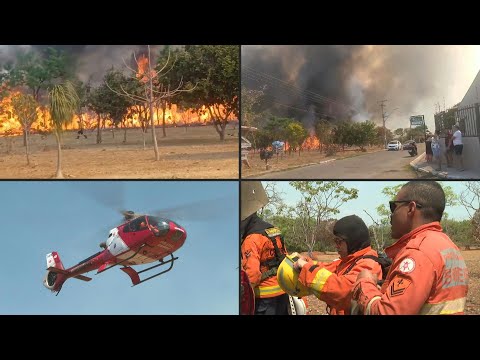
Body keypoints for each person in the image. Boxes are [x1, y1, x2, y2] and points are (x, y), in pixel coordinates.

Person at [351, 181, 469, 315]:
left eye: (393, 207)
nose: (392, 214)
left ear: (411, 208)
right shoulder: (448, 245)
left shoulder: (418, 253)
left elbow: (387, 312)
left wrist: (365, 283)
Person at [288, 215, 383, 315]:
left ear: (353, 241)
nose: (336, 246)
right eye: (335, 241)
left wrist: (306, 267)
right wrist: (306, 262)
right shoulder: (350, 260)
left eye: (339, 241)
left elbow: (343, 291)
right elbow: (328, 268)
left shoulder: (368, 265)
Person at [241, 181, 290, 315]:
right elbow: (284, 256)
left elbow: (252, 275)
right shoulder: (273, 230)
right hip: (283, 292)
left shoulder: (251, 239)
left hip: (265, 299)